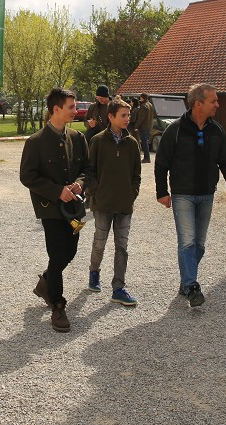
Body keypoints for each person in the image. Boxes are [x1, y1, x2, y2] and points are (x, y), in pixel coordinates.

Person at [154, 83, 226, 309]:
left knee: (199, 245)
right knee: (187, 242)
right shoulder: (176, 130)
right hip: (182, 195)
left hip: (206, 195)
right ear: (198, 103)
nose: (217, 105)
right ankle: (192, 287)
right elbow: (161, 162)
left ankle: (185, 282)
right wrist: (162, 192)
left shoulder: (216, 130)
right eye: (214, 101)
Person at [19, 88, 90, 333]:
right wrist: (55, 190)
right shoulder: (36, 142)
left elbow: (87, 169)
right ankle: (58, 305)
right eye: (71, 107)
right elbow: (27, 176)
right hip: (50, 209)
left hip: (74, 209)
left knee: (69, 253)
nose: (76, 110)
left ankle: (46, 282)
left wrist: (80, 183)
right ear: (56, 109)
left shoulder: (78, 138)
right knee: (57, 253)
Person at [86, 98, 142, 306]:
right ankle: (94, 273)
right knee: (99, 242)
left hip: (124, 205)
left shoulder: (132, 143)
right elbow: (90, 171)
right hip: (102, 203)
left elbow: (137, 173)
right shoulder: (98, 141)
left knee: (122, 246)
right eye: (123, 115)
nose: (127, 119)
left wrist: (132, 193)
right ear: (111, 117)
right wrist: (96, 192)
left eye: (128, 115)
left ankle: (118, 287)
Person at [134, 93, 155, 163]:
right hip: (149, 126)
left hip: (143, 127)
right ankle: (147, 157)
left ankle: (146, 157)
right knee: (146, 141)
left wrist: (136, 126)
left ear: (142, 98)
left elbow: (141, 118)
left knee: (144, 142)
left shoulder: (143, 106)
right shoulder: (150, 105)